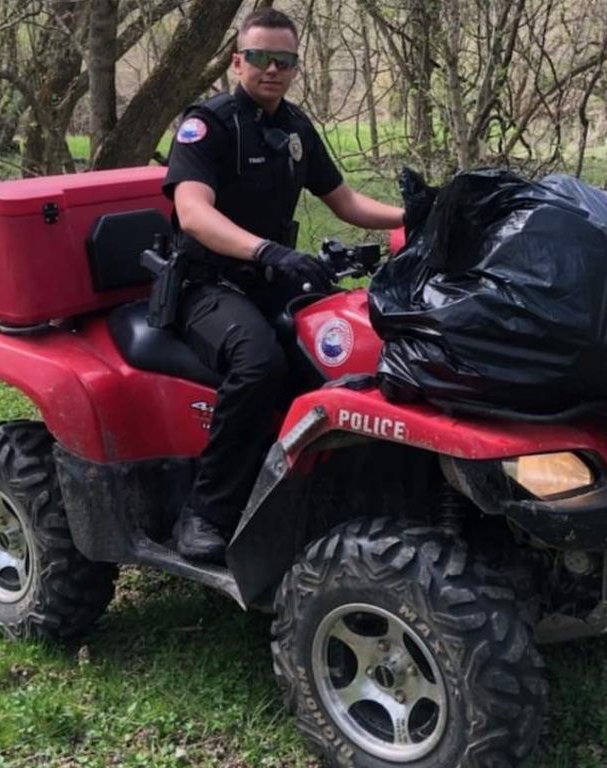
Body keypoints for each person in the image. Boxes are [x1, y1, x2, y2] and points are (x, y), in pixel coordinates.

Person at [163, 8, 405, 563]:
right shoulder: (209, 124)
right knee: (259, 364)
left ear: (296, 66)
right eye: (260, 58)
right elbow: (194, 213)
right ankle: (206, 512)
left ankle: (324, 496)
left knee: (346, 355)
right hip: (206, 287)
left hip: (274, 280)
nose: (272, 69)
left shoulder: (294, 126)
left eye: (285, 60)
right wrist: (266, 249)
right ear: (236, 61)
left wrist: (414, 215)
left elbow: (344, 201)